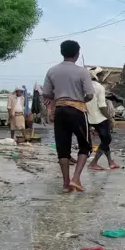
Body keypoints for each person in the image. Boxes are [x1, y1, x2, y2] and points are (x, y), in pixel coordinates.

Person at [42, 40, 95, 193]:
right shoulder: (82, 72)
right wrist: (79, 99)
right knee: (85, 145)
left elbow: (46, 93)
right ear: (77, 54)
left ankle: (66, 183)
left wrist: (59, 97)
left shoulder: (52, 71)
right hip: (77, 110)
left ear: (62, 52)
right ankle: (76, 179)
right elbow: (90, 95)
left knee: (63, 148)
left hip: (59, 110)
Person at [86, 68, 119, 171]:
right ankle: (94, 162)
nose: (103, 77)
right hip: (100, 118)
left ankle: (110, 162)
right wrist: (110, 119)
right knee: (107, 140)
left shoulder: (85, 86)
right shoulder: (99, 87)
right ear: (97, 76)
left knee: (105, 141)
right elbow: (102, 106)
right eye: (102, 75)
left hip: (89, 117)